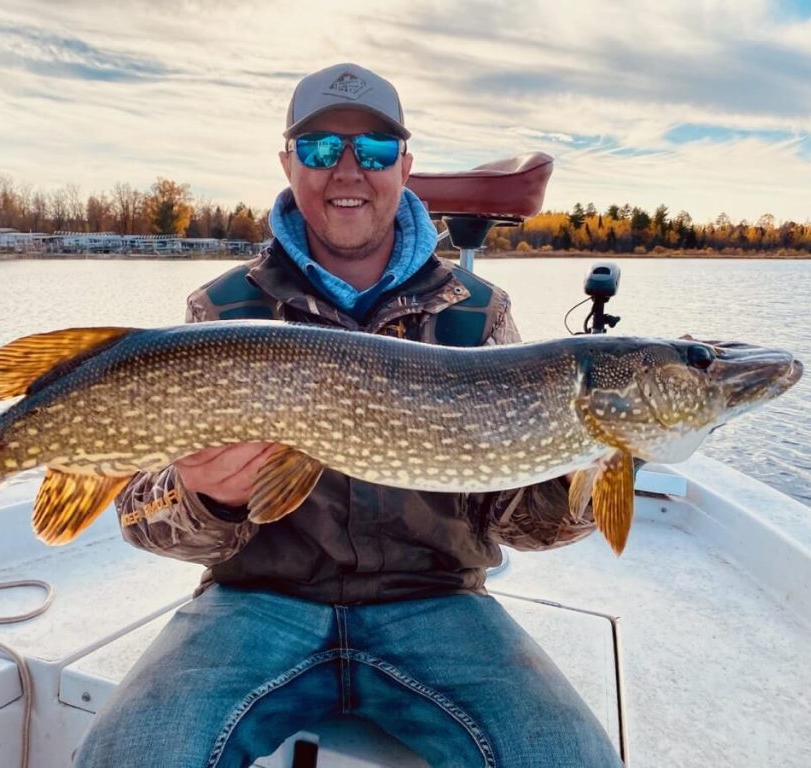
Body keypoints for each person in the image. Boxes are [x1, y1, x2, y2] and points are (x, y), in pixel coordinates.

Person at [75, 63, 623, 768]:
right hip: (256, 604)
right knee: (131, 756)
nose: (347, 171)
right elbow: (141, 518)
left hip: (437, 603)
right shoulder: (223, 311)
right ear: (287, 162)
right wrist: (206, 496)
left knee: (569, 759)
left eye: (373, 150)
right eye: (318, 149)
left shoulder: (480, 314)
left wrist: (586, 467)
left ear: (405, 166)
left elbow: (516, 522)